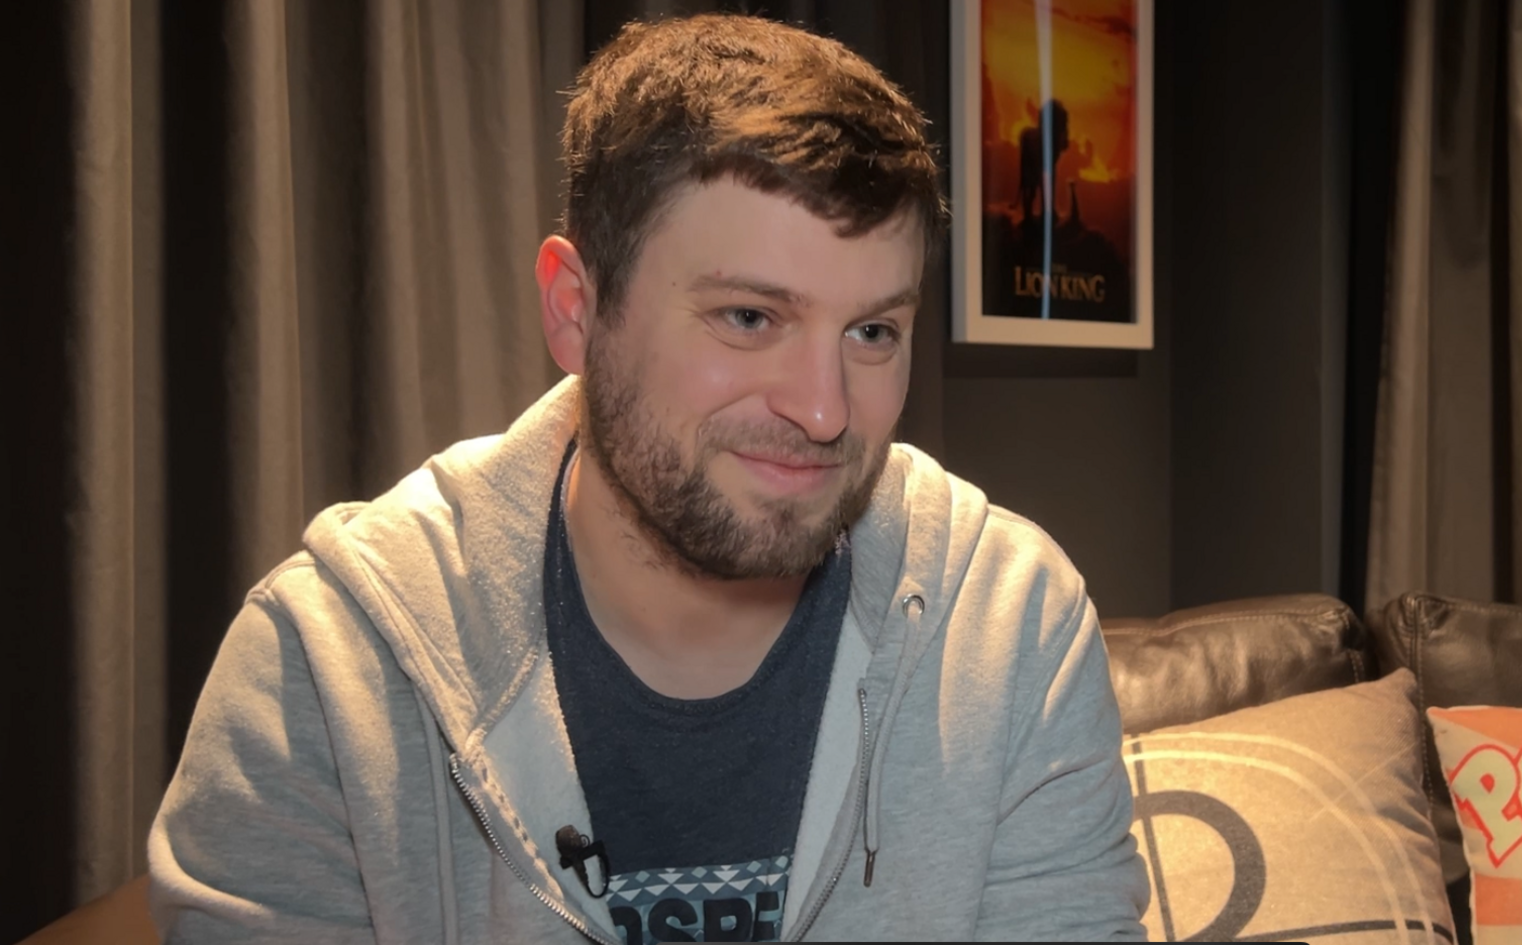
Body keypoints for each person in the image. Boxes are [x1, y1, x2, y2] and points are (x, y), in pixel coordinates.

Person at [148, 12, 1149, 943]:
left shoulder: (1011, 629)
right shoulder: (327, 672)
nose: (825, 410)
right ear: (576, 309)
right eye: (749, 318)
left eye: (873, 332)